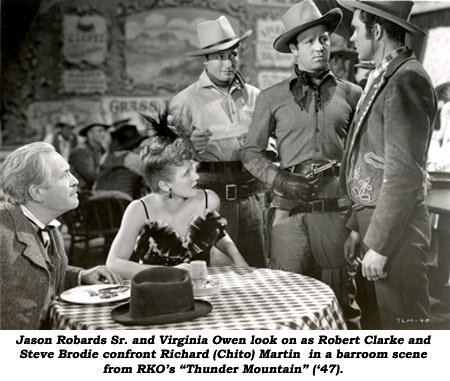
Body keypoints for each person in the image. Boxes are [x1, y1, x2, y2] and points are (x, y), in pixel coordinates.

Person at [242, 0, 362, 328]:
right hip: (287, 213)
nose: (319, 47)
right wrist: (280, 179)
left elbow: (363, 160)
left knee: (342, 304)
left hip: (336, 214)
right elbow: (250, 153)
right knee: (285, 301)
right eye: (309, 42)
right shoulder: (271, 97)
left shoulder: (354, 95)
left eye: (323, 39)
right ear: (294, 49)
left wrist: (357, 220)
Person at [337, 0, 437, 329]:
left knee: (404, 331)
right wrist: (356, 224)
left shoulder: (406, 79)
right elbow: (369, 163)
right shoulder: (384, 75)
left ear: (376, 30)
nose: (351, 38)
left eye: (355, 29)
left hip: (397, 234)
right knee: (376, 326)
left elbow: (404, 174)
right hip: (376, 224)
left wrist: (378, 245)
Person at [170, 16, 266, 268]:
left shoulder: (255, 96)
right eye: (219, 56)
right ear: (205, 60)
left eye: (232, 54)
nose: (228, 63)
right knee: (217, 269)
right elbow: (167, 157)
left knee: (256, 266)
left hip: (251, 194)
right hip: (211, 196)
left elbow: (272, 138)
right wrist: (189, 146)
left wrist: (270, 147)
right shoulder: (185, 101)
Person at [106, 112, 249, 280]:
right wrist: (169, 272)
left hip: (200, 287)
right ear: (165, 185)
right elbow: (114, 262)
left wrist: (236, 256)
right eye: (187, 174)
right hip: (155, 289)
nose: (196, 177)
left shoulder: (208, 200)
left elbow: (214, 232)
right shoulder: (139, 209)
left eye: (194, 169)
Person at [0, 142, 122, 329]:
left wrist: (81, 275)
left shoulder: (48, 224)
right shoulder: (3, 231)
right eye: (64, 175)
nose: (75, 181)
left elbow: (38, 273)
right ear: (37, 192)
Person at [95, 123, 148, 199]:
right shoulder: (133, 158)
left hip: (98, 196)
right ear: (136, 145)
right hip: (121, 198)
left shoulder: (105, 156)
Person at [69, 116, 110, 192]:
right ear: (90, 134)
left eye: (104, 131)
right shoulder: (81, 151)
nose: (103, 134)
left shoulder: (101, 150)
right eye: (99, 131)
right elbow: (92, 176)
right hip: (82, 194)